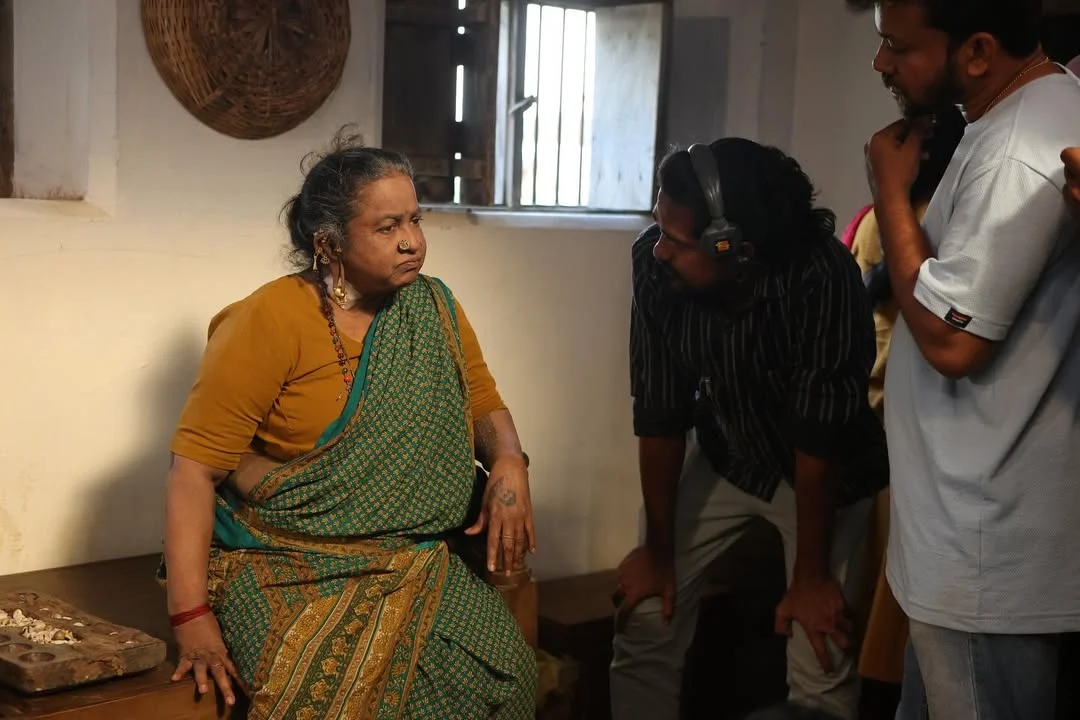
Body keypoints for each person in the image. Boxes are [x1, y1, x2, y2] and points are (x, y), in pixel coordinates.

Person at [160, 131, 536, 719]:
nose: (412, 241)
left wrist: (509, 459)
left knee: (503, 680)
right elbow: (193, 472)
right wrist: (191, 618)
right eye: (387, 227)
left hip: (412, 560)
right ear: (329, 243)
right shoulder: (271, 319)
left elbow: (481, 401)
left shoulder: (433, 307)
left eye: (415, 220)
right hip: (285, 561)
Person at [851, 0, 1080, 717]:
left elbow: (954, 341)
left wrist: (891, 195)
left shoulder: (1020, 151)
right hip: (962, 531)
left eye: (898, 46)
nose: (881, 63)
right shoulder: (1010, 117)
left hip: (985, 543)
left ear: (977, 51)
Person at [610, 137, 889, 720]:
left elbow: (818, 436)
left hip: (825, 475)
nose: (659, 249)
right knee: (645, 612)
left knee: (819, 641)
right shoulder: (654, 264)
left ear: (734, 248)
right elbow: (660, 411)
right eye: (658, 226)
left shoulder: (823, 275)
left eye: (676, 239)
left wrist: (811, 577)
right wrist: (657, 550)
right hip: (730, 453)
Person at [849, 104, 965, 707]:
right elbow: (868, 306)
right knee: (889, 581)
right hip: (890, 413)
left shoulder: (943, 215)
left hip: (923, 413)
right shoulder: (887, 220)